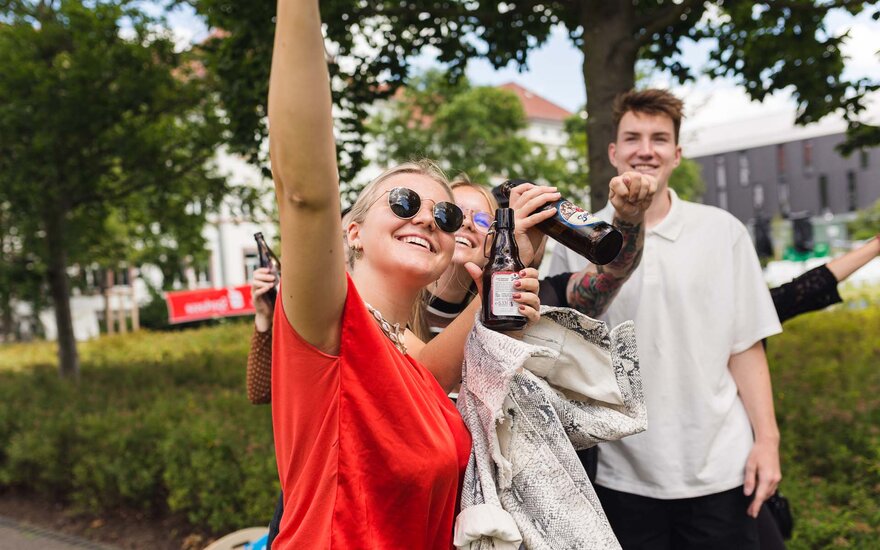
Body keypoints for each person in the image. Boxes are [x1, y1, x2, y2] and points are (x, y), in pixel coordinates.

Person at [266, 2, 546, 547]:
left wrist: (510, 271)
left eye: (446, 216)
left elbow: (440, 367)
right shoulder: (327, 319)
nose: (426, 218)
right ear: (351, 231)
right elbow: (303, 193)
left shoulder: (408, 352)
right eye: (403, 201)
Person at [546, 88, 782, 549]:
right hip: (620, 471)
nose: (645, 149)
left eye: (659, 138)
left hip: (720, 466)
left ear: (676, 154)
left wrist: (767, 441)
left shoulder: (722, 232)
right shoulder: (574, 237)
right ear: (614, 152)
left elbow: (745, 346)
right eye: (632, 137)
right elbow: (562, 351)